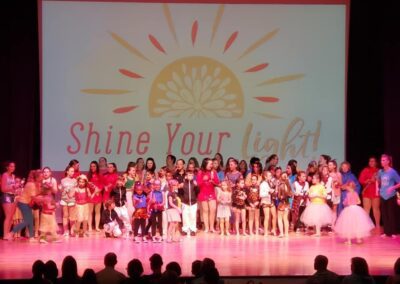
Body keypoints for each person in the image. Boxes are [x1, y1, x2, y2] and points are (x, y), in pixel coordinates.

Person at [8, 169, 41, 241]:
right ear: (37, 177)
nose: (42, 177)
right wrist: (42, 201)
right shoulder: (31, 184)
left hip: (26, 203)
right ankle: (11, 233)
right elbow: (34, 197)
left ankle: (31, 237)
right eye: (41, 176)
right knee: (27, 221)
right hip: (23, 203)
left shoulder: (35, 183)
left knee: (29, 220)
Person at [377, 154, 400, 238]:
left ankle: (393, 232)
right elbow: (378, 180)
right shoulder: (380, 171)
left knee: (391, 214)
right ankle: (386, 232)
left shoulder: (392, 172)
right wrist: (378, 188)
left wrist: (392, 187)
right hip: (383, 195)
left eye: (383, 160)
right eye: (381, 160)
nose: (382, 162)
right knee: (384, 214)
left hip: (390, 195)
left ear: (388, 161)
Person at [197, 158, 219, 233]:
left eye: (212, 164)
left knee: (213, 209)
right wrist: (203, 179)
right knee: (205, 211)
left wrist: (212, 180)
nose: (211, 165)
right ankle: (206, 227)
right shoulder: (200, 172)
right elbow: (198, 184)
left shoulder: (213, 172)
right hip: (203, 193)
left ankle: (212, 227)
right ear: (205, 164)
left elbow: (217, 182)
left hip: (211, 193)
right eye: (210, 164)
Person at [359, 157, 380, 230]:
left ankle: (377, 225)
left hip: (375, 192)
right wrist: (366, 181)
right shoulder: (365, 170)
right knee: (366, 209)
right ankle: (366, 225)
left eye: (373, 161)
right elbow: (361, 180)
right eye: (370, 161)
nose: (371, 162)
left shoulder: (379, 171)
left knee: (376, 209)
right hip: (367, 192)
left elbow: (381, 181)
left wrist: (376, 180)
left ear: (376, 162)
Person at [179, 171, 199, 236]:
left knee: (193, 216)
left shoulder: (194, 184)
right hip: (185, 203)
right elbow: (180, 193)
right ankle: (185, 229)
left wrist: (196, 186)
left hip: (193, 203)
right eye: (189, 175)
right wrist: (182, 200)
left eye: (191, 175)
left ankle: (193, 229)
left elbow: (197, 192)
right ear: (186, 176)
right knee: (185, 216)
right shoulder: (183, 184)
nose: (190, 176)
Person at [59, 166, 77, 237]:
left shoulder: (75, 181)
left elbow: (75, 190)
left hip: (71, 199)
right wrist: (61, 189)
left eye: (73, 171)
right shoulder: (63, 180)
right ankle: (65, 231)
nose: (73, 173)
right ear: (67, 171)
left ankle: (72, 231)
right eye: (71, 171)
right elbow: (61, 189)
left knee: (71, 216)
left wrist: (70, 193)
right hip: (64, 199)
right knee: (65, 216)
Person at [1, 161, 17, 240]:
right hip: (6, 196)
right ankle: (5, 235)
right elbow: (3, 189)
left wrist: (17, 189)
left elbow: (13, 187)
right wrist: (13, 187)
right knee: (8, 216)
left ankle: (8, 234)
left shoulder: (13, 176)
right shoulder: (5, 175)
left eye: (13, 166)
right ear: (7, 167)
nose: (12, 168)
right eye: (11, 166)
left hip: (13, 196)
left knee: (11, 217)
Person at [87, 161, 103, 232]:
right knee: (90, 212)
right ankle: (90, 226)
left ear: (97, 167)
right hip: (90, 195)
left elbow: (102, 185)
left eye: (94, 166)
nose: (92, 167)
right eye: (91, 166)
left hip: (98, 195)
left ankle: (96, 227)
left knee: (97, 212)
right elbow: (86, 185)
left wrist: (98, 190)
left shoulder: (100, 175)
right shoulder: (88, 175)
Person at [276, 173, 292, 238]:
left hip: (283, 203)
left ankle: (283, 233)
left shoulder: (281, 185)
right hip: (285, 203)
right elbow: (290, 194)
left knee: (281, 218)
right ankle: (285, 233)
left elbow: (279, 196)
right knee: (285, 218)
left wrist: (282, 196)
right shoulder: (288, 185)